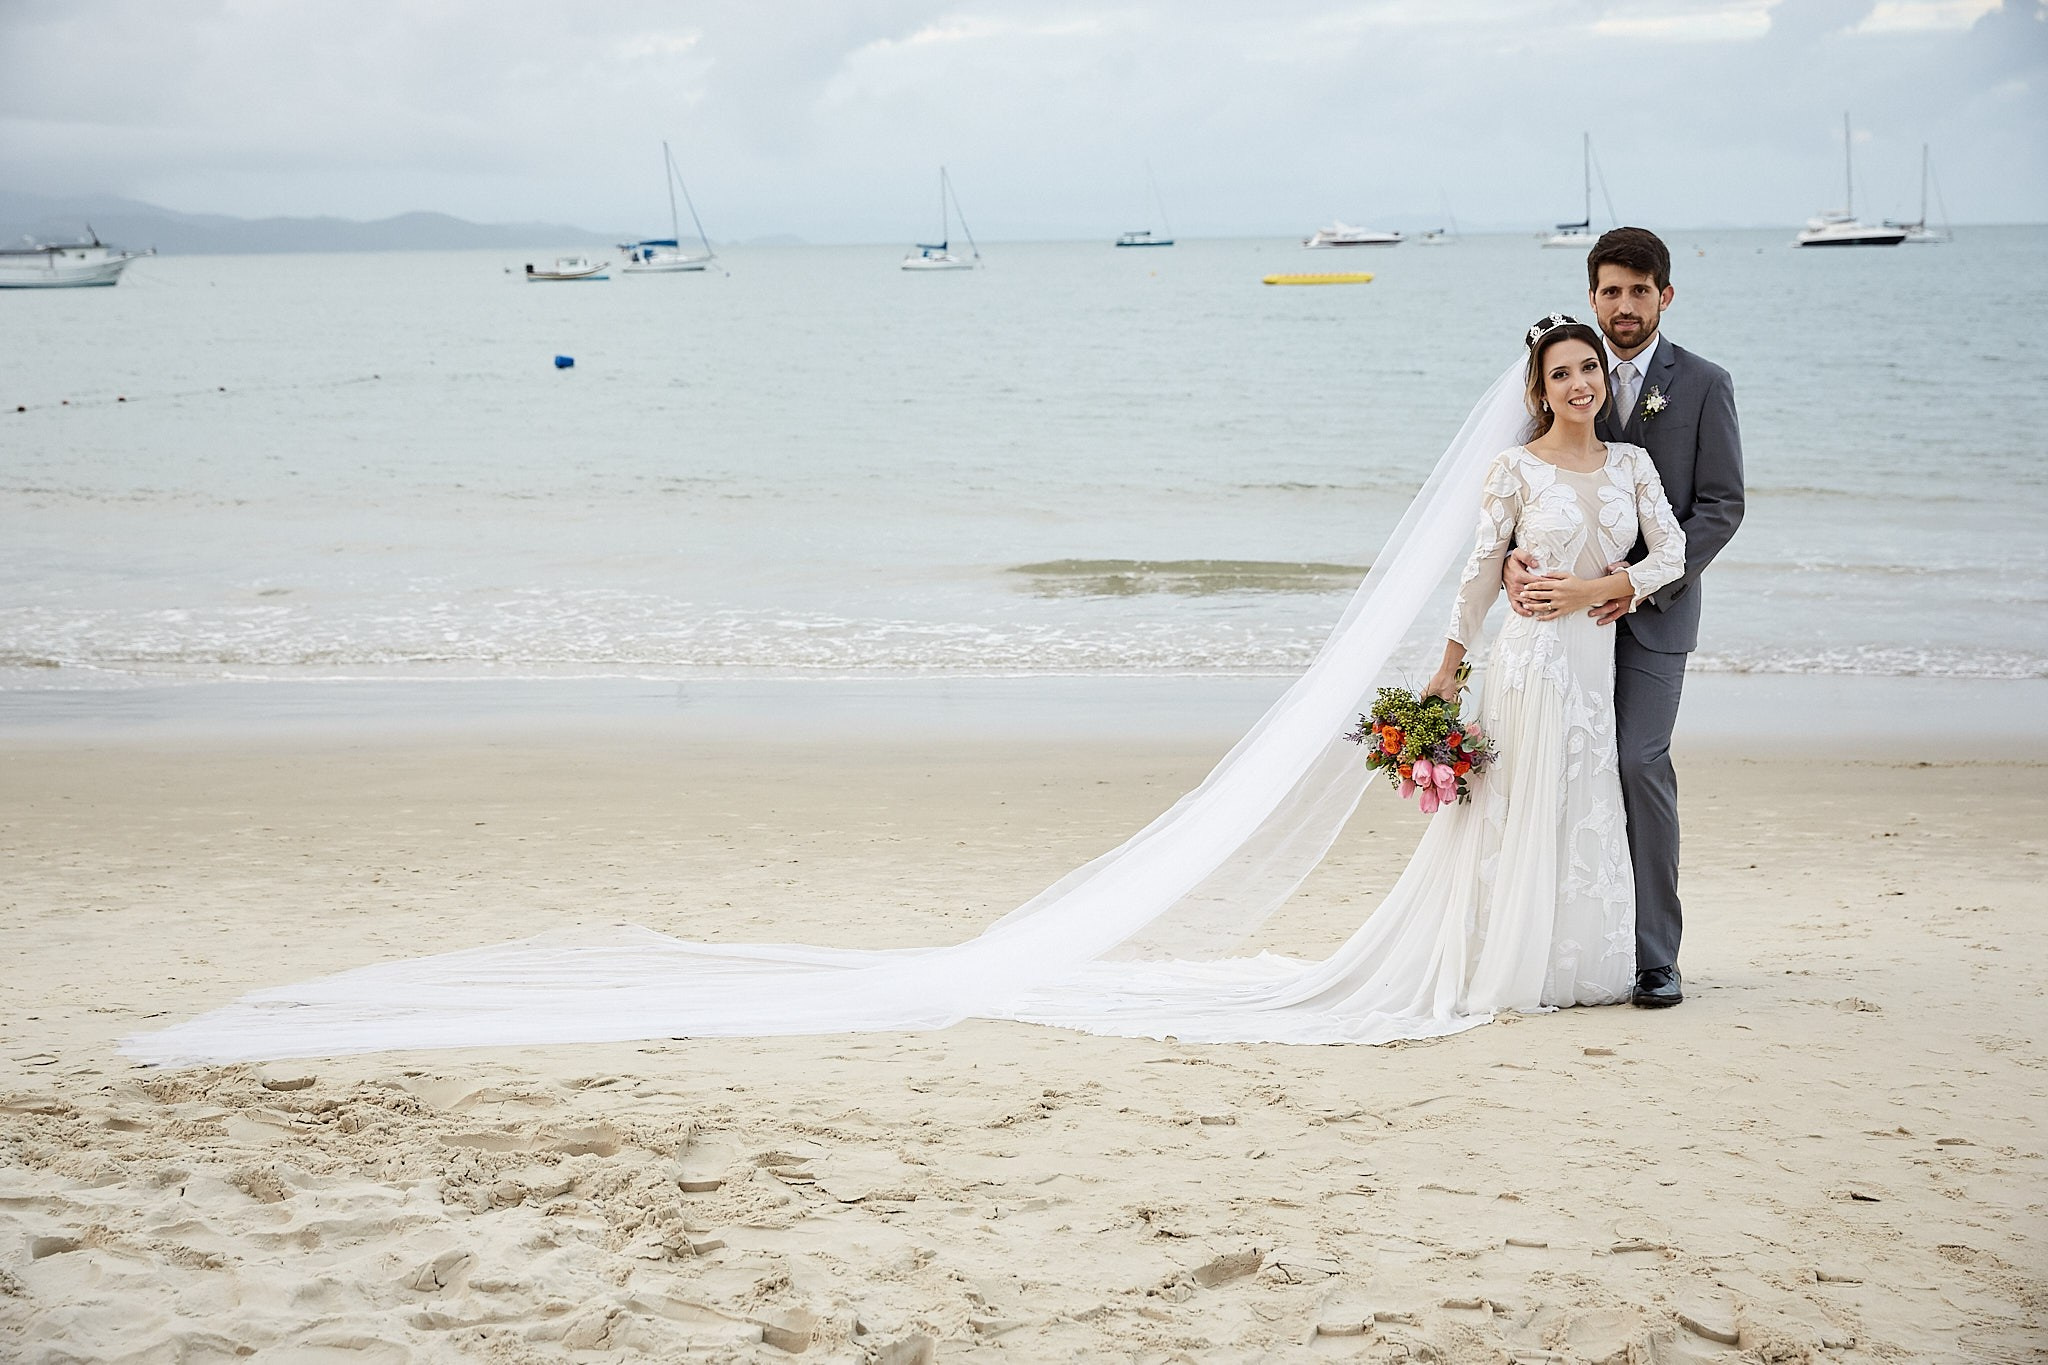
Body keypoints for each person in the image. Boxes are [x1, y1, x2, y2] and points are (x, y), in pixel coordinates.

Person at [126, 317, 1687, 1064]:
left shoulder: (1623, 467)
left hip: (1586, 648)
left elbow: (1668, 550)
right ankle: (1491, 969)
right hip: (1509, 660)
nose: (1575, 387)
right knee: (1495, 823)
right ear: (1532, 382)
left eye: (1584, 373)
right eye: (1557, 372)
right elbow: (1472, 579)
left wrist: (1611, 585)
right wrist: (1442, 665)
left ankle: (1574, 966)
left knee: (1580, 812)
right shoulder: (1504, 469)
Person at [1505, 229, 1745, 1009]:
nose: (1626, 304)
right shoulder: (1564, 372)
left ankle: (1655, 957)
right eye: (1612, 290)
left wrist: (1634, 583)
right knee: (1564, 769)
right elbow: (1523, 483)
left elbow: (1721, 506)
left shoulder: (1704, 383)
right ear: (1593, 297)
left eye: (1641, 290)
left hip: (1654, 615)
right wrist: (1512, 557)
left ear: (1664, 296)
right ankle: (1562, 943)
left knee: (1639, 764)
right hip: (1558, 627)